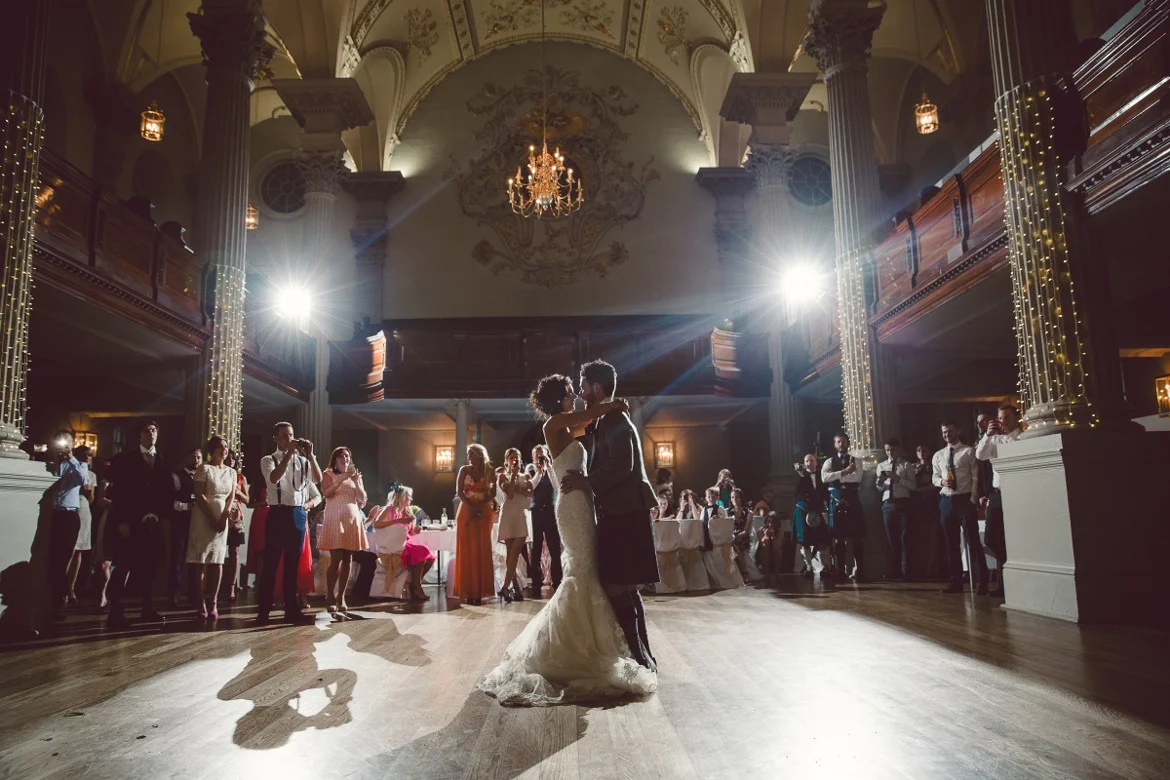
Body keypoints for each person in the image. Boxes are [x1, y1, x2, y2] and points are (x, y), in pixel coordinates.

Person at [478, 373, 656, 706]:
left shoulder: (567, 426)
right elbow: (587, 417)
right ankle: (571, 649)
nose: (576, 394)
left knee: (589, 572)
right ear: (560, 397)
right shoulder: (554, 424)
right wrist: (614, 404)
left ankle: (593, 643)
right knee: (581, 572)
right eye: (571, 391)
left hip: (583, 502)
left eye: (579, 389)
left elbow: (588, 428)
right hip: (572, 505)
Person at [563, 360, 660, 671]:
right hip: (622, 507)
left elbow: (623, 465)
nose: (579, 392)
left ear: (596, 387)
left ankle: (639, 655)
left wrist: (585, 482)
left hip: (624, 509)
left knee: (619, 586)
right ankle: (643, 654)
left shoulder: (615, 417)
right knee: (625, 585)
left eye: (583, 385)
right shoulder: (609, 416)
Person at [107, 421, 172, 627]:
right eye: (147, 431)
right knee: (124, 564)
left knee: (151, 566)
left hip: (153, 521)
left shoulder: (162, 458)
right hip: (131, 519)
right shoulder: (125, 459)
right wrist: (123, 520)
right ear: (139, 435)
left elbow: (166, 491)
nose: (152, 434)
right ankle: (115, 609)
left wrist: (158, 514)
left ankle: (147, 607)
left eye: (154, 430)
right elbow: (119, 492)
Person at [257, 422, 322, 625]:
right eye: (284, 436)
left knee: (292, 566)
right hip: (277, 513)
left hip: (297, 514)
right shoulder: (268, 460)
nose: (289, 439)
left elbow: (318, 481)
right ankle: (264, 611)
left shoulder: (303, 461)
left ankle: (291, 610)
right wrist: (288, 455)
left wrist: (310, 455)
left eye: (291, 435)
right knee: (271, 564)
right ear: (275, 439)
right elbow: (274, 478)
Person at [933, 421, 988, 594]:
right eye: (944, 432)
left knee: (972, 541)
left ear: (957, 431)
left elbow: (975, 477)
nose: (947, 435)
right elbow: (934, 477)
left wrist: (972, 499)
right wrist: (941, 481)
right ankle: (955, 581)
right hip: (947, 500)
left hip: (964, 500)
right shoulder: (939, 455)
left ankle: (982, 581)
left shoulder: (968, 451)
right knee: (951, 543)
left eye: (950, 431)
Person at [975, 404, 1022, 597]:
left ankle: (1009, 584)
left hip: (1017, 493)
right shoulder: (994, 440)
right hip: (997, 494)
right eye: (1000, 418)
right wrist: (988, 435)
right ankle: (1006, 579)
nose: (1002, 421)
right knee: (991, 538)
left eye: (1006, 417)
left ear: (1015, 418)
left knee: (1015, 539)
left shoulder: (1022, 439)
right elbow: (980, 455)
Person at [187, 435, 236, 620]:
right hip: (203, 516)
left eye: (226, 446)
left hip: (222, 515)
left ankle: (213, 601)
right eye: (220, 447)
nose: (224, 450)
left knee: (217, 560)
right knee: (201, 560)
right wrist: (212, 517)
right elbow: (199, 495)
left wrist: (224, 516)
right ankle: (200, 602)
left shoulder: (231, 472)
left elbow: (231, 496)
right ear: (212, 449)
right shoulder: (204, 468)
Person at [318, 447, 369, 618]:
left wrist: (355, 481)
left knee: (348, 559)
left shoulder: (356, 476)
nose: (345, 459)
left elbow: (362, 499)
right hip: (334, 517)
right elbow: (326, 493)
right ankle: (330, 596)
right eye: (341, 457)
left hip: (352, 519)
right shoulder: (328, 473)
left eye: (347, 456)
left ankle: (341, 597)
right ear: (335, 459)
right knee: (336, 558)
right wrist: (342, 479)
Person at [45, 431, 88, 614]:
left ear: (71, 444)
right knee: (51, 558)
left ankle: (61, 597)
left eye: (66, 442)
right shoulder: (52, 465)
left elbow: (83, 481)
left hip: (69, 516)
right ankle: (53, 597)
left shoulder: (79, 465)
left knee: (63, 558)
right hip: (51, 515)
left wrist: (71, 458)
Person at [370, 485, 435, 601]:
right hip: (394, 546)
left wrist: (415, 530)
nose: (411, 500)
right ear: (401, 497)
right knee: (423, 552)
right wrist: (399, 520)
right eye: (409, 497)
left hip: (405, 543)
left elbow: (408, 531)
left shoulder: (405, 511)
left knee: (430, 558)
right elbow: (377, 524)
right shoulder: (389, 509)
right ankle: (416, 587)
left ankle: (415, 584)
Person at [453, 443, 497, 606]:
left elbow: (492, 493)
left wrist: (480, 506)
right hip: (466, 511)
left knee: (482, 549)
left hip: (484, 511)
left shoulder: (490, 470)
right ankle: (467, 591)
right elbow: (459, 492)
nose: (469, 457)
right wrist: (472, 507)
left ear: (480, 455)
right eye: (468, 454)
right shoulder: (464, 470)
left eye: (472, 454)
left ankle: (479, 592)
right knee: (467, 550)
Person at [821, 432, 868, 581]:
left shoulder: (856, 460)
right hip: (835, 500)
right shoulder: (829, 461)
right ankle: (840, 571)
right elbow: (824, 478)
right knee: (838, 538)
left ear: (847, 443)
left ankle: (859, 570)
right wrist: (845, 472)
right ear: (835, 445)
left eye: (843, 441)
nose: (841, 444)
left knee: (856, 537)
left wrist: (835, 475)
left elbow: (857, 477)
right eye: (838, 442)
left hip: (852, 499)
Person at [875, 438, 916, 581]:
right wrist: (880, 482)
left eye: (892, 450)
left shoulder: (906, 465)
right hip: (888, 504)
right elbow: (879, 488)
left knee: (905, 538)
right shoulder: (881, 466)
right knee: (892, 540)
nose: (890, 453)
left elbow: (913, 486)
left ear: (898, 450)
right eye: (887, 450)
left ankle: (907, 572)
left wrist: (897, 479)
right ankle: (895, 571)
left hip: (903, 503)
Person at [496, 447, 532, 603]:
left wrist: (520, 486)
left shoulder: (527, 476)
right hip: (508, 515)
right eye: (511, 457)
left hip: (521, 516)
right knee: (510, 554)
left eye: (516, 457)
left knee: (515, 553)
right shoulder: (502, 476)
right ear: (506, 460)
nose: (514, 460)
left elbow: (530, 494)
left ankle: (505, 588)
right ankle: (516, 589)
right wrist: (514, 478)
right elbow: (509, 494)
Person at [169, 447, 201, 607]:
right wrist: (186, 507)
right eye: (194, 457)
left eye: (199, 457)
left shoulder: (203, 476)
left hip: (198, 524)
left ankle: (194, 595)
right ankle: (173, 595)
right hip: (180, 523)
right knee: (177, 558)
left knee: (195, 560)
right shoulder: (177, 476)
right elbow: (169, 501)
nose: (196, 460)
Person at [528, 443, 561, 598]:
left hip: (551, 512)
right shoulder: (530, 470)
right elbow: (530, 488)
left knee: (555, 549)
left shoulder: (552, 469)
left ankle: (558, 582)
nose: (540, 457)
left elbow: (557, 486)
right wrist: (539, 472)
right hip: (536, 513)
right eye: (537, 455)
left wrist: (548, 466)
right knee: (536, 550)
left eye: (542, 454)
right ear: (533, 457)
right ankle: (536, 585)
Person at [65, 445, 97, 605]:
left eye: (90, 455)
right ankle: (62, 588)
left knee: (79, 551)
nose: (87, 457)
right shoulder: (70, 469)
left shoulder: (92, 474)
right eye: (84, 455)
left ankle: (71, 588)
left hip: (84, 509)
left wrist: (89, 491)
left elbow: (92, 499)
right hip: (71, 506)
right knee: (69, 550)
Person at [793, 453, 829, 577]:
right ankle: (809, 568)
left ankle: (824, 567)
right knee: (805, 541)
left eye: (811, 460)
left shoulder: (821, 476)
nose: (809, 463)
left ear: (816, 462)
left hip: (817, 510)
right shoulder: (800, 477)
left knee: (822, 540)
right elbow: (797, 494)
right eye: (807, 461)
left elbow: (825, 492)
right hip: (803, 510)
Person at [221, 449, 248, 602]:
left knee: (234, 551)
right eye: (229, 457)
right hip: (220, 513)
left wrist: (237, 490)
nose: (231, 460)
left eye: (234, 458)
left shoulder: (240, 477)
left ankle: (231, 587)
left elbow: (247, 499)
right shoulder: (219, 473)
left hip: (236, 517)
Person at [729, 488, 753, 582]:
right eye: (732, 497)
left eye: (737, 497)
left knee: (735, 545)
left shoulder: (748, 513)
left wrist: (736, 537)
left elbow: (746, 531)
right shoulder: (728, 512)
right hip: (731, 537)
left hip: (742, 537)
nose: (734, 499)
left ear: (741, 498)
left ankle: (744, 572)